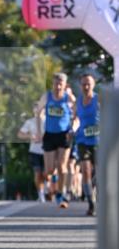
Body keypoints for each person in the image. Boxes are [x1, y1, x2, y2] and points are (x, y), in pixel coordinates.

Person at [36, 72, 75, 209]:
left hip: (64, 134)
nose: (58, 87)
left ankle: (61, 193)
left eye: (60, 84)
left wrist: (73, 128)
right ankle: (54, 179)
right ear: (52, 84)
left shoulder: (68, 97)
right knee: (49, 169)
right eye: (56, 84)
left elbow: (77, 113)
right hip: (49, 135)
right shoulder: (47, 96)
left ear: (65, 85)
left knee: (62, 166)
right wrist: (39, 131)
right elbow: (38, 112)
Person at [75, 73, 100, 216]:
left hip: (98, 141)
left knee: (100, 173)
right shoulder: (78, 101)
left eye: (88, 84)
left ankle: (99, 198)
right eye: (83, 84)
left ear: (93, 84)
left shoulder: (99, 99)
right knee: (85, 171)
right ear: (80, 85)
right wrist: (72, 130)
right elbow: (75, 119)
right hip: (82, 140)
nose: (86, 87)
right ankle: (91, 204)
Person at [18, 106, 46, 202]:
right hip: (35, 151)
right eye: (36, 108)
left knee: (47, 174)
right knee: (38, 173)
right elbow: (20, 134)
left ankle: (48, 188)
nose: (38, 110)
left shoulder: (48, 121)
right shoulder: (30, 122)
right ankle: (41, 194)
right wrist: (30, 136)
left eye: (40, 108)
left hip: (47, 151)